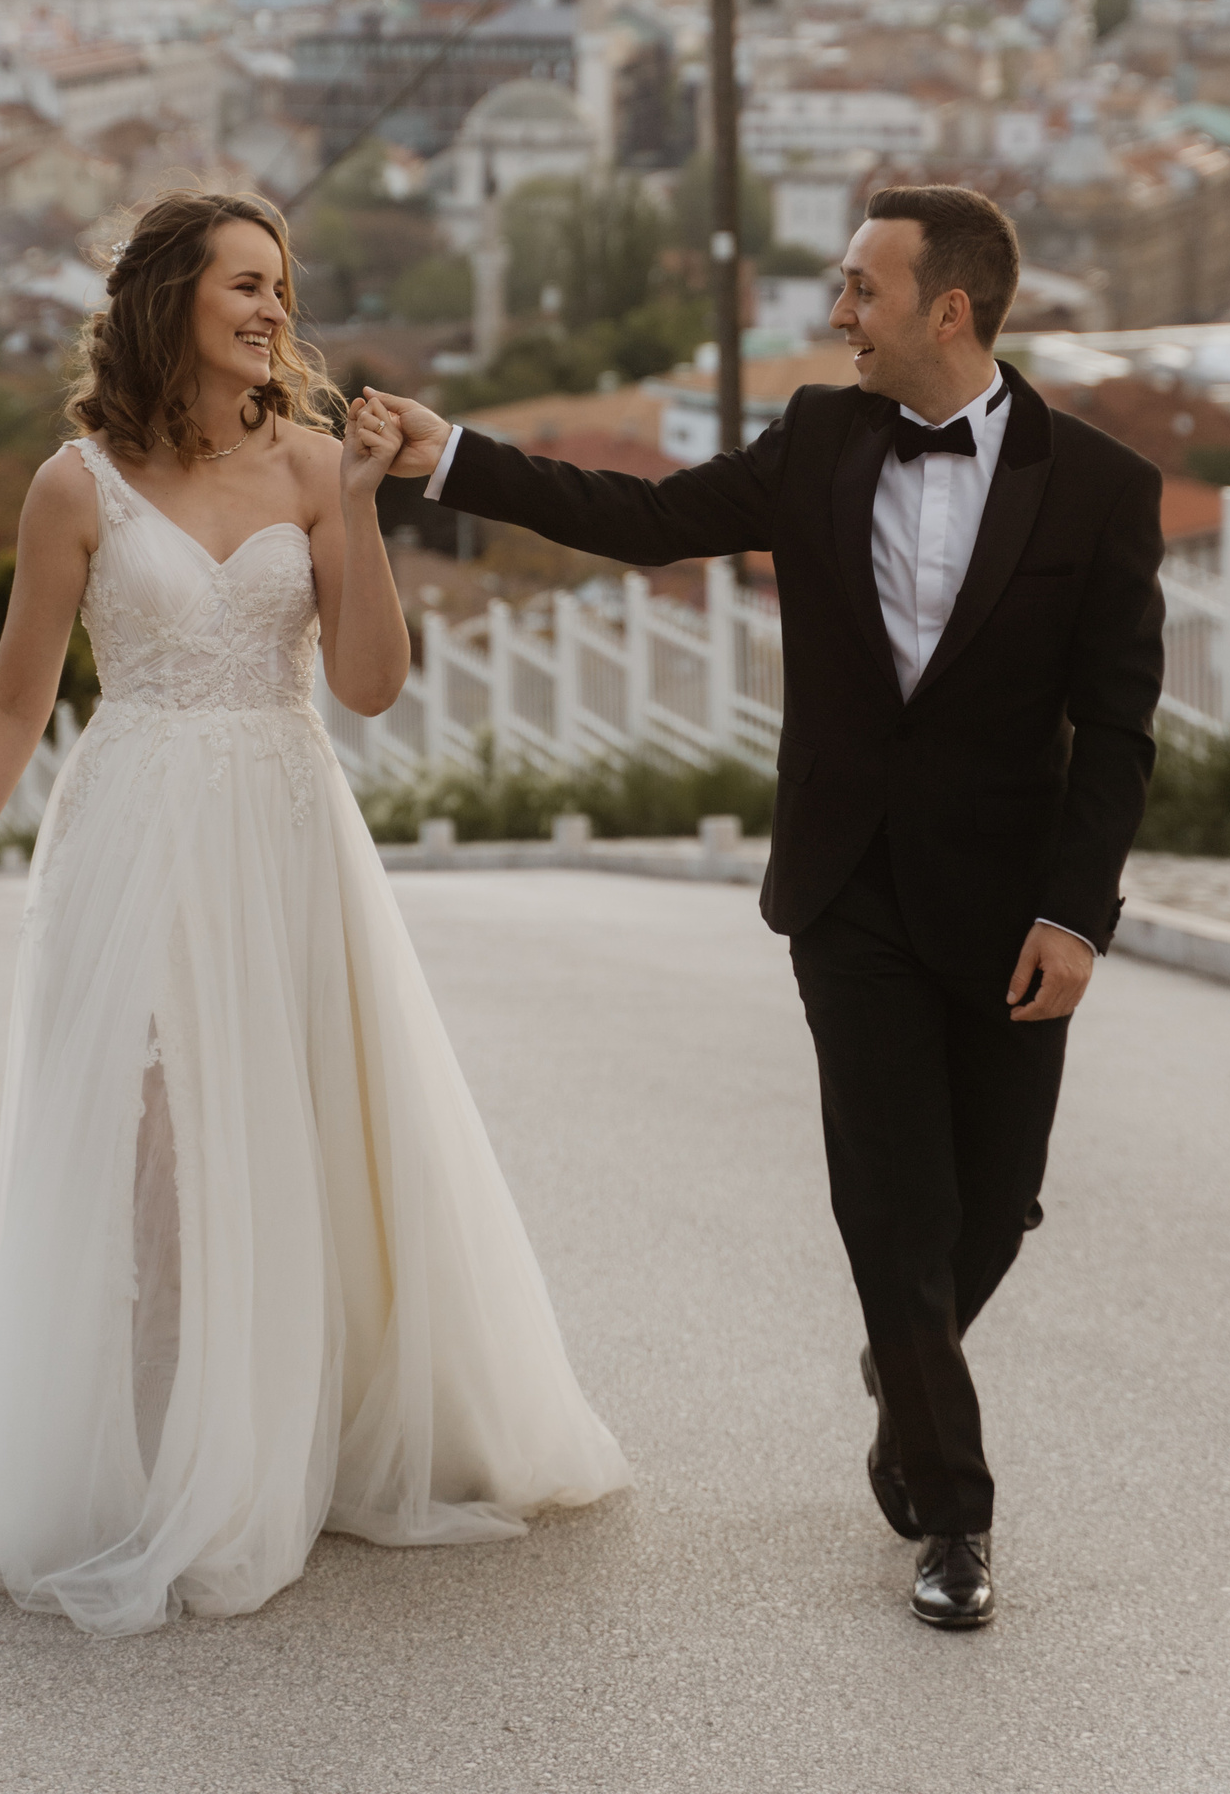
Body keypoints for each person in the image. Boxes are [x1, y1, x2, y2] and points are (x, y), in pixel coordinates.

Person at [370, 182, 1163, 1631]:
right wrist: (453, 457)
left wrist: (1075, 914)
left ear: (949, 310)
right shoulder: (818, 438)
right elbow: (644, 518)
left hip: (1011, 911)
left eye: (863, 288)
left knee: (995, 1207)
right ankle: (955, 1518)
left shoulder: (1103, 486)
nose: (838, 312)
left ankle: (906, 1364)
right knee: (893, 1207)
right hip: (847, 888)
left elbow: (1116, 731)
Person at [0, 189, 627, 1635]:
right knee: (154, 1134)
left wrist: (363, 507)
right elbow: (12, 705)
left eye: (281, 284)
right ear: (171, 299)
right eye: (244, 283)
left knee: (298, 1118)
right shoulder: (74, 486)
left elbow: (369, 686)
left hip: (285, 826)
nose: (274, 308)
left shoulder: (311, 465)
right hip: (135, 831)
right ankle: (163, 1443)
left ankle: (296, 1426)